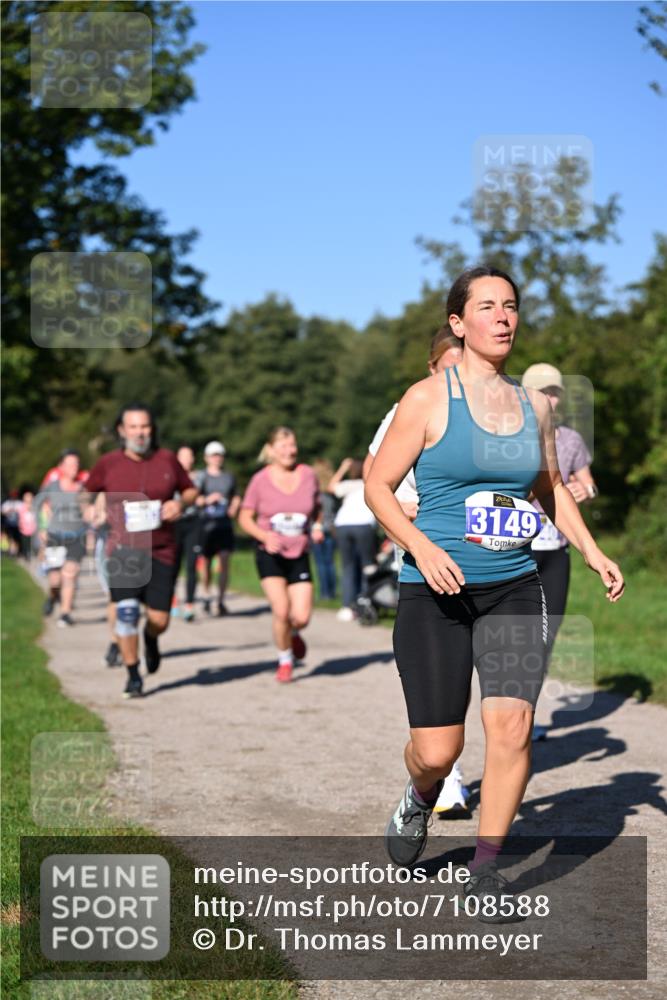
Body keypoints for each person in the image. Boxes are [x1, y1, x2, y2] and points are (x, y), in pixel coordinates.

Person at [365, 266, 624, 917]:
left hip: (512, 585)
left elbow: (546, 488)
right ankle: (419, 795)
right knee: (438, 750)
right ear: (458, 323)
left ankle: (484, 870)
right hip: (433, 591)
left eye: (509, 306)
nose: (502, 317)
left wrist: (590, 551)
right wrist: (420, 547)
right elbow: (375, 485)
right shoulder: (426, 399)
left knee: (510, 728)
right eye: (486, 307)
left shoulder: (532, 406)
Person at [364, 327, 470, 815]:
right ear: (431, 370)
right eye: (449, 368)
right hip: (422, 556)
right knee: (444, 680)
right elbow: (375, 484)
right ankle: (439, 776)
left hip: (487, 563)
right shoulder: (406, 409)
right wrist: (406, 517)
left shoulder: (495, 409)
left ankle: (451, 770)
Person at [84, 403, 198, 699]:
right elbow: (87, 492)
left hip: (162, 549)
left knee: (159, 619)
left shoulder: (167, 459)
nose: (140, 432)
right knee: (126, 612)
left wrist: (180, 504)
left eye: (145, 426)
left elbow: (189, 489)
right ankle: (134, 675)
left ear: (152, 429)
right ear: (122, 431)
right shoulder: (108, 463)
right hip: (123, 550)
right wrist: (89, 511)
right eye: (133, 427)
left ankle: (151, 639)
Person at [522, 362, 598, 740]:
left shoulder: (570, 440)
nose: (551, 397)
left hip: (556, 549)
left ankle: (528, 711)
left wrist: (586, 492)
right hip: (520, 548)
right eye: (544, 391)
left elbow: (588, 484)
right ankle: (509, 710)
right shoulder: (511, 435)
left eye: (556, 392)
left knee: (547, 636)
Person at [238, 427, 323, 683]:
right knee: (282, 610)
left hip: (299, 553)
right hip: (270, 553)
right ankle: (285, 661)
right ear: (271, 449)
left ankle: (294, 633)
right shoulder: (260, 480)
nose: (289, 451)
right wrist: (264, 536)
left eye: (292, 445)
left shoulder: (308, 475)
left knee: (302, 617)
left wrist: (317, 526)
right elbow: (244, 516)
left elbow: (317, 507)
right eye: (283, 446)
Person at [38, 450, 87, 627]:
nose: (75, 467)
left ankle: (65, 613)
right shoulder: (52, 487)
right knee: (55, 580)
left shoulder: (82, 487)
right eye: (70, 464)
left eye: (77, 464)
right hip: (55, 536)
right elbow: (41, 506)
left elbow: (87, 510)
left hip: (76, 536)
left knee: (70, 574)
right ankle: (52, 598)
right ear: (61, 467)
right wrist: (42, 528)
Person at [195, 441, 241, 617]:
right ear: (207, 458)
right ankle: (206, 592)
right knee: (205, 563)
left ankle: (220, 601)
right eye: (214, 455)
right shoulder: (202, 477)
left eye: (219, 455)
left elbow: (236, 495)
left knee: (224, 562)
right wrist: (207, 500)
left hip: (224, 524)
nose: (217, 458)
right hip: (206, 524)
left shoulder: (229, 476)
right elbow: (194, 498)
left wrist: (234, 507)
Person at [328, 458, 377, 621]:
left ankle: (347, 606)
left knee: (348, 566)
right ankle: (365, 600)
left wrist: (342, 468)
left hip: (343, 525)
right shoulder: (371, 482)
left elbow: (331, 486)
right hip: (363, 525)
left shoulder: (347, 485)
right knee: (367, 565)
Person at [173, 445, 203, 622]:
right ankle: (173, 599)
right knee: (174, 564)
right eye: (183, 456)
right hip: (176, 523)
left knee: (192, 565)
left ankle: (190, 604)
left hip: (194, 523)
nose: (187, 459)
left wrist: (202, 499)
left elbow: (203, 496)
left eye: (189, 456)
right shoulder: (171, 475)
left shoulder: (200, 477)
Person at [311, 459, 338, 600]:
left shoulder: (314, 493)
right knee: (329, 562)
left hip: (317, 529)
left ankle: (324, 593)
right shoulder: (331, 491)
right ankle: (332, 591)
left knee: (320, 563)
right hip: (331, 528)